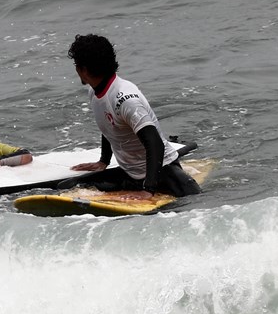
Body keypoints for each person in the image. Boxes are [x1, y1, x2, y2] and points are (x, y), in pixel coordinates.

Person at [67, 34, 200, 198]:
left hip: (161, 171)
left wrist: (148, 190)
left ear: (84, 70)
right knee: (69, 186)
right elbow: (109, 124)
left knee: (193, 195)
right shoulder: (95, 92)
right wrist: (103, 161)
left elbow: (155, 143)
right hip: (130, 174)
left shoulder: (125, 100)